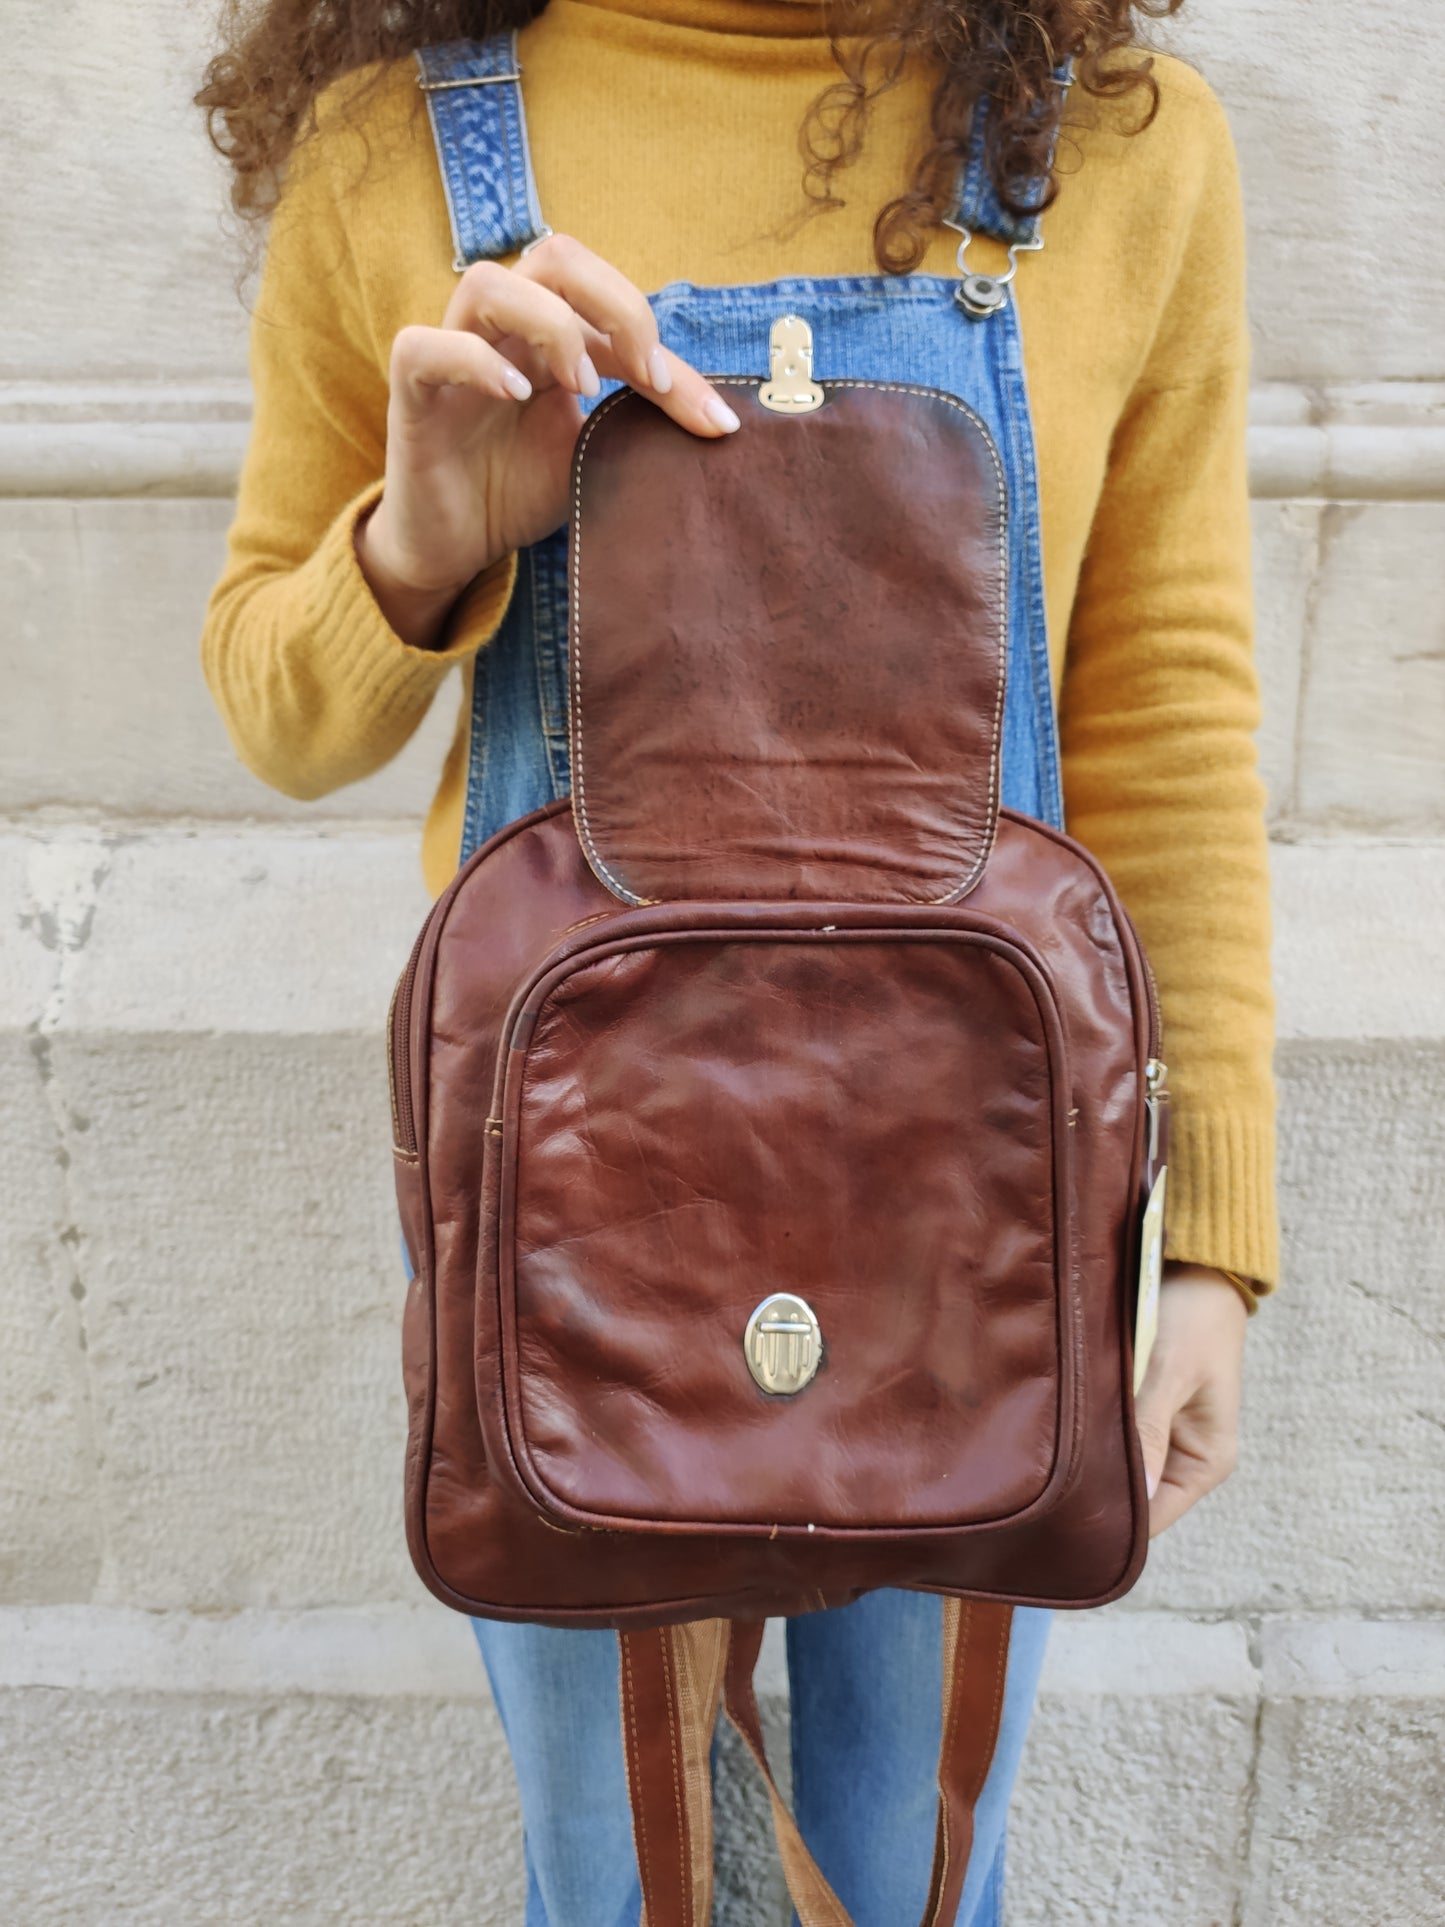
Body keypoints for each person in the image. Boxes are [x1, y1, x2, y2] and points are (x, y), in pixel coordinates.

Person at [197, 2, 1276, 1920]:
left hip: (993, 1191)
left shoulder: (1119, 141)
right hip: (565, 1186)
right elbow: (276, 712)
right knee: (618, 1880)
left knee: (904, 1875)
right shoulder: (392, 146)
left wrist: (1209, 1236)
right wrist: (423, 537)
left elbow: (1164, 714)